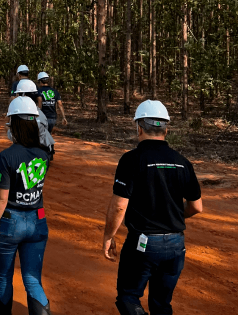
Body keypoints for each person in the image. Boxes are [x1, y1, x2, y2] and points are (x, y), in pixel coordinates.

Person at [102, 100, 202, 315]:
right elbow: (196, 207)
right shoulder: (182, 162)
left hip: (144, 243)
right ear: (166, 129)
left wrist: (109, 236)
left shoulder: (131, 160)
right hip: (176, 244)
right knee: (161, 304)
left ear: (138, 127)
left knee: (129, 298)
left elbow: (120, 206)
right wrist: (173, 215)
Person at [0, 96, 51, 315]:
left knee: (3, 278)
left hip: (10, 223)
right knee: (33, 279)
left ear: (13, 124)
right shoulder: (44, 154)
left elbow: (1, 198)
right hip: (37, 220)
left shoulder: (6, 157)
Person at [15, 80, 55, 160]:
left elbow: (12, 134)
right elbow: (45, 128)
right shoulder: (39, 113)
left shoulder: (17, 114)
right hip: (42, 150)